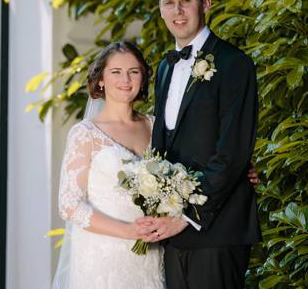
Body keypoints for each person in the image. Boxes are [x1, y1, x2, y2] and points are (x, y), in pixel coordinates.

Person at [51, 41, 259, 288]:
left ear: (143, 78)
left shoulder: (155, 126)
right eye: (116, 72)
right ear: (101, 80)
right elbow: (69, 205)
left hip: (152, 251)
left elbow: (190, 164)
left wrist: (240, 170)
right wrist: (128, 231)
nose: (125, 79)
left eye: (134, 71)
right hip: (104, 254)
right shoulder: (85, 133)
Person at [135, 0, 261, 289]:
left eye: (185, 1)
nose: (177, 11)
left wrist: (185, 216)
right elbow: (163, 148)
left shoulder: (235, 64)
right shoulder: (164, 68)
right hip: (172, 235)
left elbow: (231, 155)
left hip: (217, 230)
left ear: (205, 3)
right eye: (168, 3)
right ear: (160, 9)